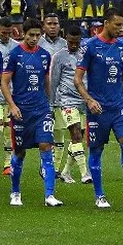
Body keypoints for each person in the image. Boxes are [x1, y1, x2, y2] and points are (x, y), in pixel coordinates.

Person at [74, 8, 123, 209]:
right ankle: (100, 195)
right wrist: (89, 100)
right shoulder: (89, 46)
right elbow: (78, 80)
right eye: (117, 24)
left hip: (119, 105)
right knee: (96, 150)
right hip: (97, 108)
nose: (121, 29)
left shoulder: (121, 47)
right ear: (106, 23)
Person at [1, 18, 63, 207]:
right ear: (23, 34)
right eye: (31, 35)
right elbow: (4, 82)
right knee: (19, 153)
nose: (34, 38)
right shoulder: (15, 54)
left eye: (37, 35)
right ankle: (15, 191)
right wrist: (12, 106)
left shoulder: (45, 55)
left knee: (46, 146)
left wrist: (49, 104)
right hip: (21, 112)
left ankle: (49, 195)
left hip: (41, 110)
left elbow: (46, 81)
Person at [49, 27, 91, 185]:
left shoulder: (85, 54)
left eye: (76, 42)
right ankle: (84, 173)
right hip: (66, 101)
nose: (73, 45)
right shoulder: (59, 56)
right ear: (65, 38)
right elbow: (54, 81)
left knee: (78, 139)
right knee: (76, 135)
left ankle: (65, 172)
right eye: (70, 42)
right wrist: (52, 104)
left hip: (83, 101)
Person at [0, 17, 19, 179]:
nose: (6, 35)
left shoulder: (16, 46)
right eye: (3, 32)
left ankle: (8, 164)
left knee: (9, 130)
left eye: (8, 32)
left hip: (12, 96)